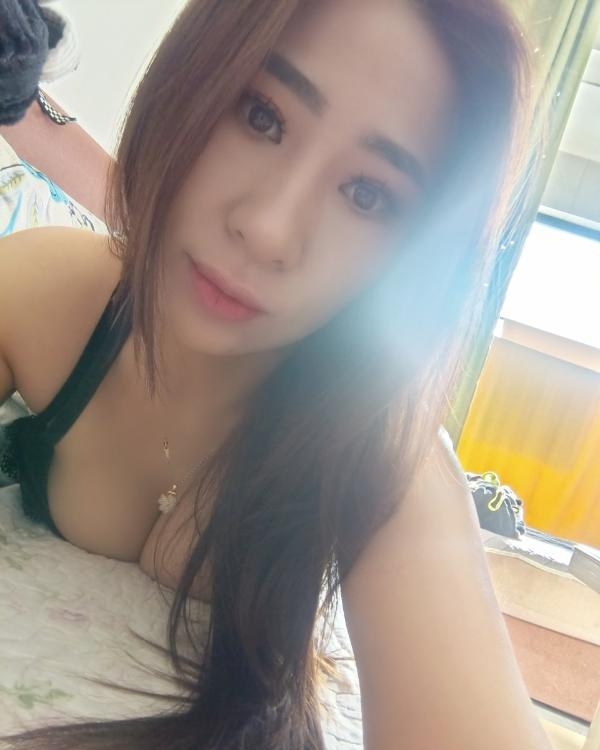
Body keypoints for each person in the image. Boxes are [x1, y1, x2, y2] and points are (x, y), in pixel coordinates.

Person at [0, 0, 552, 749]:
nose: (267, 230)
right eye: (262, 116)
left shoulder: (382, 458)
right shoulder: (50, 294)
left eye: (368, 194)